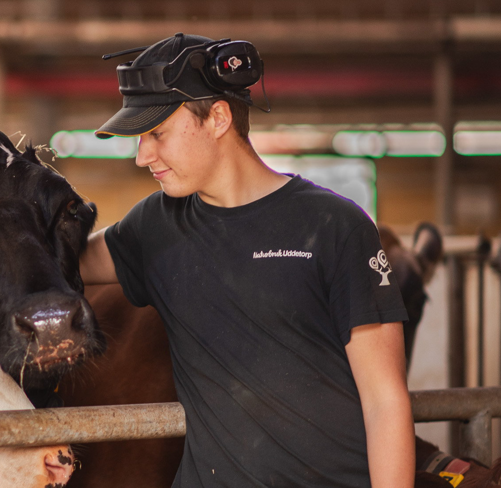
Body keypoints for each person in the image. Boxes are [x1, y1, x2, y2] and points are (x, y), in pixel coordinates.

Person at [80, 33, 414, 487]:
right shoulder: (154, 228)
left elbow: (385, 400)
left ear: (217, 117)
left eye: (156, 133)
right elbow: (60, 264)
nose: (143, 157)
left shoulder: (336, 226)